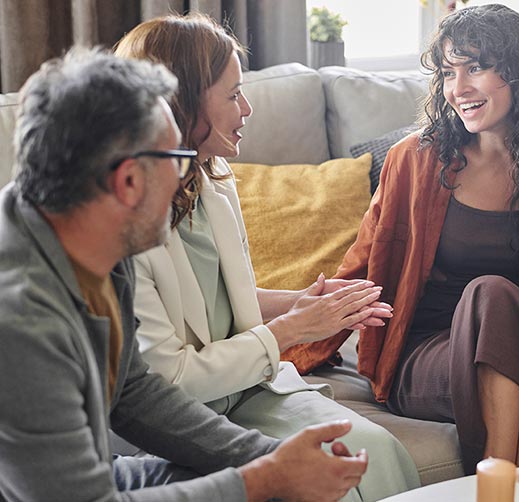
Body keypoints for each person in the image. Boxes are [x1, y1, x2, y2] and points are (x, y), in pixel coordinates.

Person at [0, 47, 367, 502]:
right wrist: (264, 479)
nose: (186, 177)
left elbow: (131, 392)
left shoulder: (93, 242)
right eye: (177, 158)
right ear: (129, 181)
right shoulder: (20, 321)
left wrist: (273, 459)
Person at [284, 4, 519, 473]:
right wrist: (288, 340)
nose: (458, 89)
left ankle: (492, 485)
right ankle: (495, 476)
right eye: (447, 73)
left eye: (475, 67)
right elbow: (362, 268)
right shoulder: (414, 161)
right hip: (427, 351)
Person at [113, 13, 420, 501]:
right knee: (329, 472)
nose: (247, 108)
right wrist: (293, 329)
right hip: (184, 417)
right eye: (233, 94)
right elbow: (168, 383)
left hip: (250, 390)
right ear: (183, 102)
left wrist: (305, 302)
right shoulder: (121, 222)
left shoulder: (211, 177)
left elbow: (224, 300)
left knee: (373, 450)